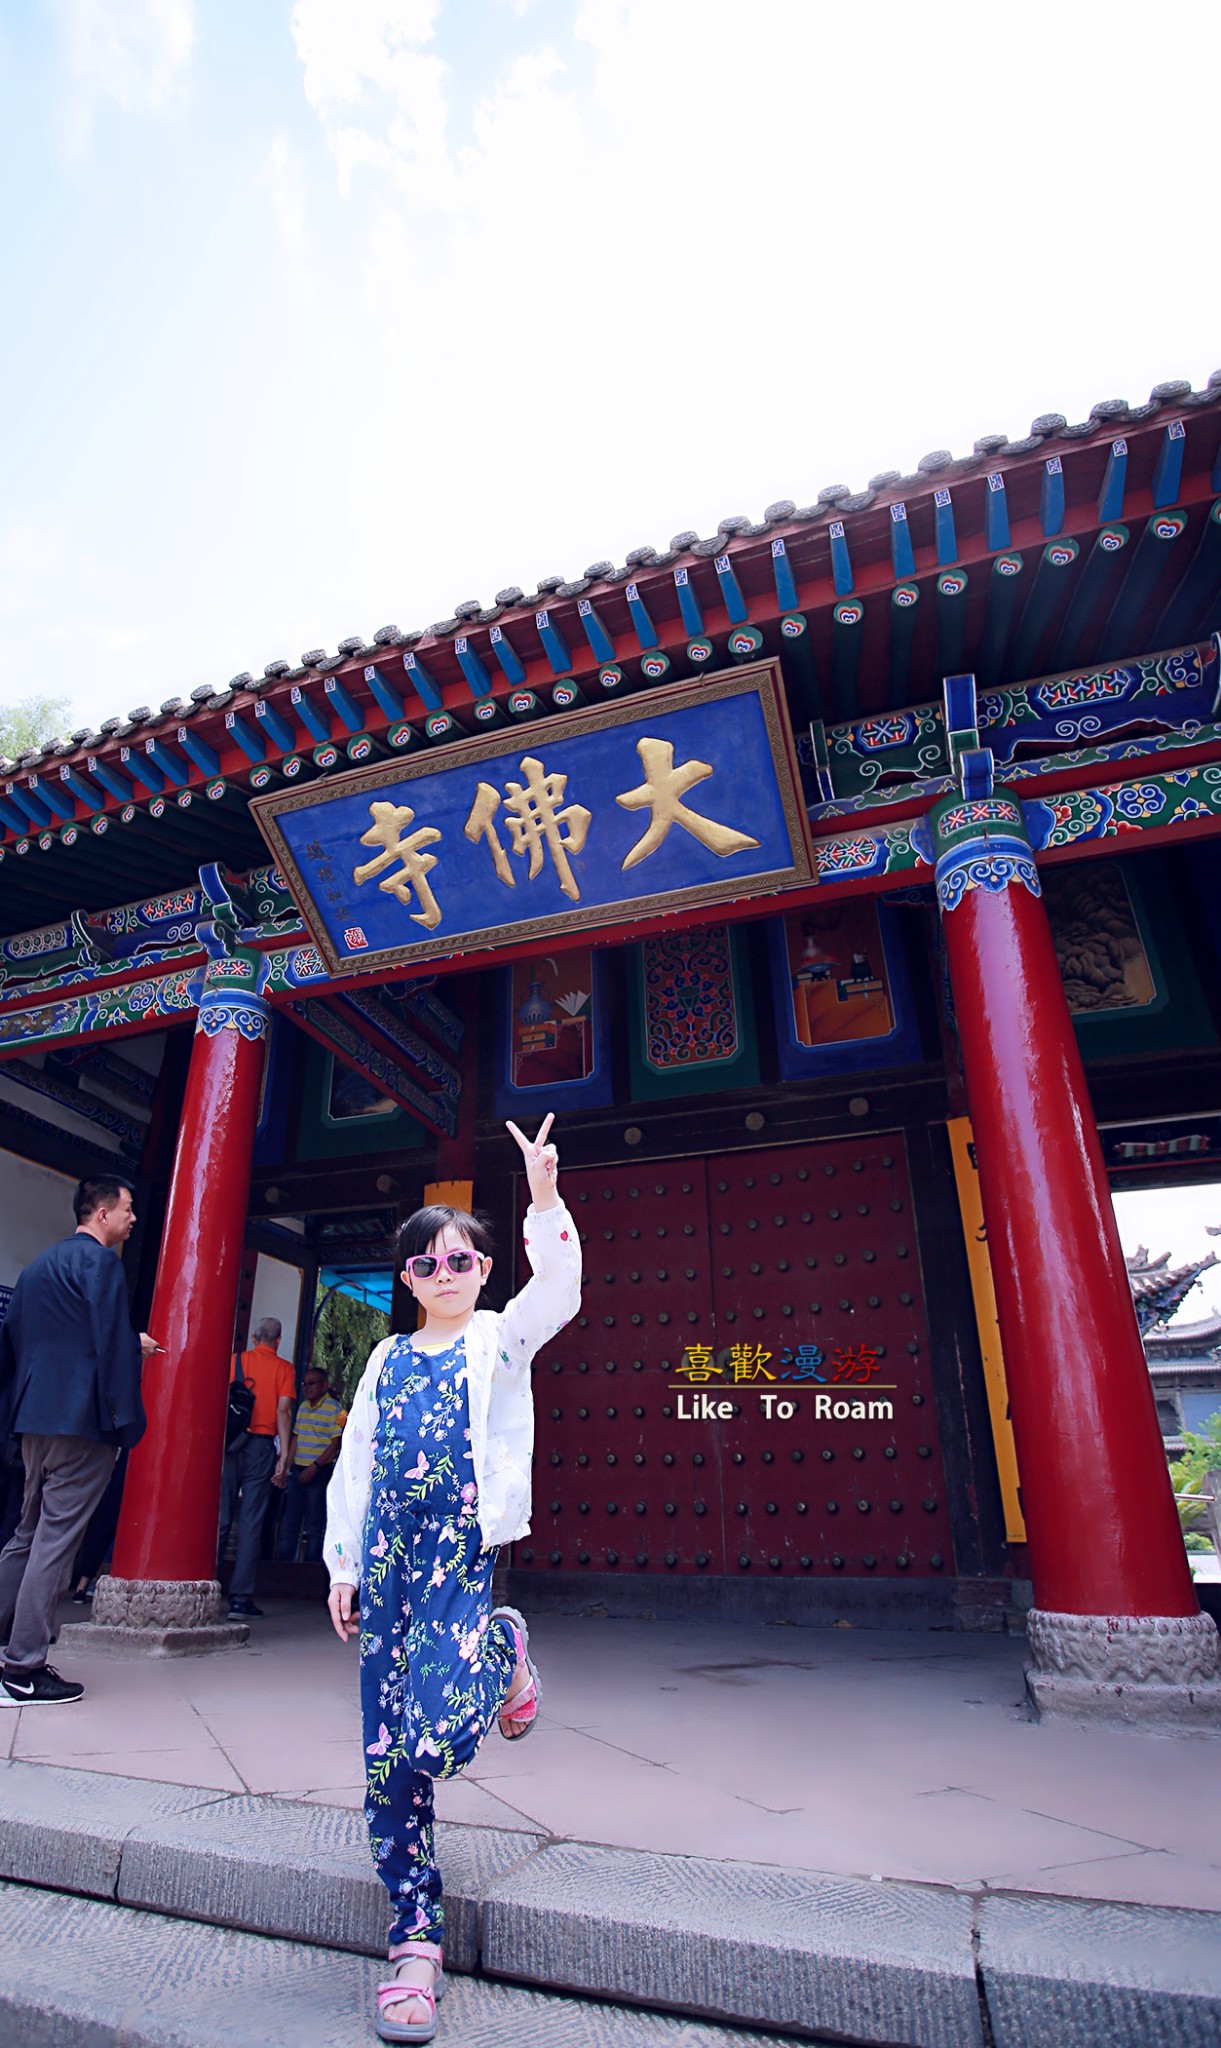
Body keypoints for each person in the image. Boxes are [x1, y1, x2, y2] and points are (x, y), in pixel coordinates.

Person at [325, 1114, 580, 2045]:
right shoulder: (385, 1357)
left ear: (483, 1270)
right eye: (426, 1264)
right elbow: (356, 1459)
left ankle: (503, 1648)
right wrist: (343, 1563)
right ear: (407, 1280)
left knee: (434, 1737)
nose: (444, 1273)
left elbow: (559, 1289)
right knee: (387, 1753)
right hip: (386, 1559)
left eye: (460, 1260)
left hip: (457, 1553)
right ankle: (413, 1935)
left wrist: (543, 1199)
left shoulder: (500, 1339)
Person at [0, 1174, 157, 1707]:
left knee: (26, 1534)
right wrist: (125, 1415)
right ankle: (23, 1668)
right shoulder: (102, 1264)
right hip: (81, 1423)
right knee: (55, 1541)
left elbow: (16, 1341)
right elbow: (109, 1342)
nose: (133, 1219)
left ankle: (12, 1654)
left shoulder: (39, 1266)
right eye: (128, 1209)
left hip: (34, 1418)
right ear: (102, 1213)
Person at [219, 1317, 294, 1619]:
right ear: (278, 1340)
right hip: (261, 1447)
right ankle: (240, 1598)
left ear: (253, 1338)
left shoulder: (235, 1361)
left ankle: (206, 1584)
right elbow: (283, 1410)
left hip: (231, 1444)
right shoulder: (284, 1369)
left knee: (221, 1517)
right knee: (251, 1521)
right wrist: (284, 1454)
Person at [277, 1364, 345, 1564]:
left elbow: (336, 1443)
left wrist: (315, 1467)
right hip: (298, 1470)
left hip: (319, 1472)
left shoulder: (333, 1408)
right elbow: (296, 1439)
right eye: (304, 1384)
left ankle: (310, 1569)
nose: (307, 1388)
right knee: (290, 1523)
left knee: (314, 1526)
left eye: (312, 1383)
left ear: (324, 1385)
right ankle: (283, 1567)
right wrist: (286, 1468)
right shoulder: (303, 1407)